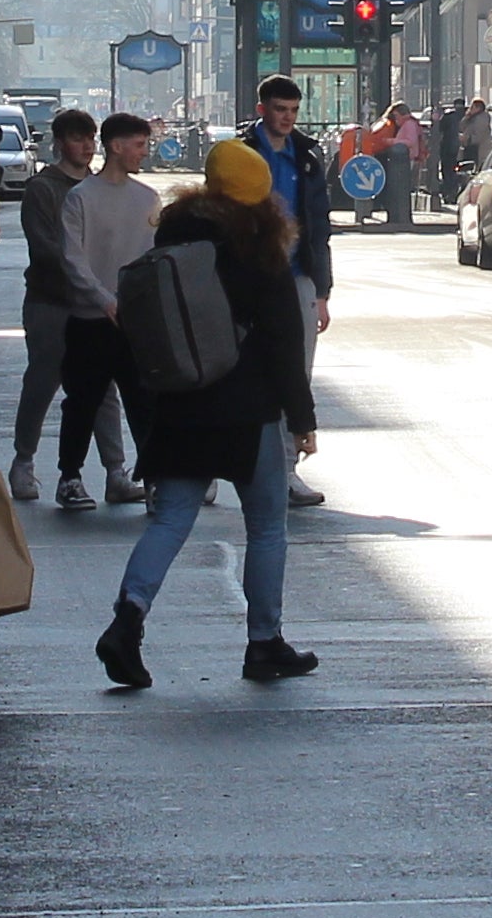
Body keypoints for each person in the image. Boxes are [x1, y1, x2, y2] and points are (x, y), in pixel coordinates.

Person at [95, 146, 323, 689]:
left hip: (182, 401)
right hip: (249, 408)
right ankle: (264, 643)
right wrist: (302, 417)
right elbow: (284, 342)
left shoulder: (174, 238)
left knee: (171, 518)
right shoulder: (260, 251)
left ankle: (127, 620)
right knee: (267, 526)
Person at [47, 113, 160, 509]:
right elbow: (72, 259)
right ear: (116, 146)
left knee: (142, 401)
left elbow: (152, 260)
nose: (144, 154)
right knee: (82, 400)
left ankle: (153, 478)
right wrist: (102, 298)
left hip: (133, 322)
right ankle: (70, 477)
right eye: (139, 145)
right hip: (90, 320)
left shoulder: (147, 198)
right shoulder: (81, 198)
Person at [241, 75, 338, 509]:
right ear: (263, 109)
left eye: (293, 111)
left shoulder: (307, 156)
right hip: (248, 275)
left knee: (295, 374)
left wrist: (321, 290)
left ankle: (286, 469)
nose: (287, 118)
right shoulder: (242, 154)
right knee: (233, 368)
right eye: (280, 110)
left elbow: (320, 225)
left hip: (297, 275)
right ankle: (212, 465)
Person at [5, 111, 106, 505]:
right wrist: (81, 271)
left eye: (90, 138)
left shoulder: (100, 186)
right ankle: (24, 459)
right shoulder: (42, 188)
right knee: (43, 380)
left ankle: (115, 469)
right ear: (60, 142)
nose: (86, 146)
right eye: (78, 138)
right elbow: (43, 245)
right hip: (51, 298)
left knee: (101, 387)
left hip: (94, 301)